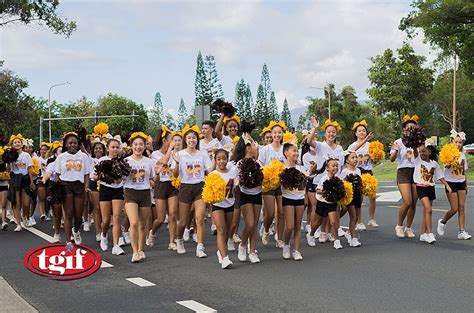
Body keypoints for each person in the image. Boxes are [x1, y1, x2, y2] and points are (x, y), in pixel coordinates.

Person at [173, 125, 212, 258]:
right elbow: (175, 175)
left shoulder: (203, 154)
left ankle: (200, 247)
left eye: (194, 138)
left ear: (197, 140)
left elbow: (209, 171)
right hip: (185, 187)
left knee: (200, 218)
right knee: (183, 221)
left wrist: (218, 158)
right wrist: (177, 163)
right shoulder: (180, 154)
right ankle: (179, 240)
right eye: (189, 138)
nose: (191, 140)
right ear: (186, 140)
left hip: (200, 187)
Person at [306, 117, 345, 243]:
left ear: (336, 133)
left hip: (335, 182)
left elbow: (341, 166)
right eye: (329, 132)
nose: (331, 134)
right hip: (321, 181)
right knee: (321, 209)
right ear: (325, 133)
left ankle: (327, 232)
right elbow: (309, 140)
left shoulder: (339, 148)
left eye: (333, 132)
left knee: (334, 208)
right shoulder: (321, 146)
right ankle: (321, 231)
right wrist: (315, 127)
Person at [54, 132, 91, 248]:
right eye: (70, 143)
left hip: (79, 186)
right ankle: (68, 241)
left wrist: (86, 187)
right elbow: (57, 174)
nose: (72, 145)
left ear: (78, 144)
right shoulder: (61, 157)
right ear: (66, 144)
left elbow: (87, 174)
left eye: (75, 143)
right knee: (68, 214)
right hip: (66, 186)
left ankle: (76, 230)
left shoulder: (83, 157)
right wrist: (56, 188)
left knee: (79, 215)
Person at [123, 132, 154, 262]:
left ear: (144, 146)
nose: (138, 147)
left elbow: (152, 179)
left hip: (145, 193)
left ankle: (141, 250)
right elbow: (121, 177)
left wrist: (154, 180)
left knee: (143, 224)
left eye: (141, 144)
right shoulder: (126, 161)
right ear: (132, 146)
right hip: (130, 192)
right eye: (135, 144)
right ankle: (134, 252)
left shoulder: (149, 162)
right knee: (134, 222)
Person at [281, 143, 314, 260]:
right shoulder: (281, 168)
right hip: (287, 198)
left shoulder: (301, 168)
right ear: (286, 153)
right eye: (293, 151)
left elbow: (304, 183)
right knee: (289, 225)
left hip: (299, 199)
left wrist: (305, 196)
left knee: (298, 225)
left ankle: (296, 250)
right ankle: (286, 244)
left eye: (297, 151)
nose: (296, 153)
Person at [413, 141, 451, 243]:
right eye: (420, 152)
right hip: (421, 188)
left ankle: (423, 234)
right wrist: (414, 140)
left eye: (424, 151)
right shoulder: (417, 161)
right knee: (428, 209)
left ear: (429, 152)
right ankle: (430, 234)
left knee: (427, 212)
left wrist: (447, 185)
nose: (422, 153)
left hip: (431, 188)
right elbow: (415, 151)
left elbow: (440, 176)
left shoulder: (434, 164)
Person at [233, 132, 262, 264]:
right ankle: (243, 245)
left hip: (257, 194)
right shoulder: (240, 163)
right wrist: (237, 182)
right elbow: (236, 178)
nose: (257, 146)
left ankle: (252, 251)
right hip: (244, 194)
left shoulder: (258, 163)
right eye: (255, 145)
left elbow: (264, 177)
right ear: (248, 148)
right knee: (249, 223)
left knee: (254, 225)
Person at [437, 130, 471, 240]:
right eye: (456, 142)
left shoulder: (463, 155)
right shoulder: (446, 152)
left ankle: (462, 231)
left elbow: (464, 172)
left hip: (460, 182)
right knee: (454, 208)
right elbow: (446, 167)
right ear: (452, 142)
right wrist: (451, 159)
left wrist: (466, 185)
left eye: (460, 142)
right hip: (450, 183)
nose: (458, 144)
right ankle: (443, 221)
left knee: (462, 207)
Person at [149, 126, 179, 251]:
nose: (174, 142)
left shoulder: (175, 154)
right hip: (160, 185)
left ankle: (172, 241)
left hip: (172, 185)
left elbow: (175, 172)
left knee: (172, 215)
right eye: (171, 140)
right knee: (160, 218)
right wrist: (170, 150)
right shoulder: (155, 154)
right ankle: (152, 232)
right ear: (164, 141)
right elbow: (161, 165)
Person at [259, 121, 287, 247]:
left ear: (282, 134)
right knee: (269, 213)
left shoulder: (285, 148)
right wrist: (267, 172)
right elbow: (259, 164)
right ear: (271, 134)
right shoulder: (265, 149)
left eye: (279, 132)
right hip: (268, 184)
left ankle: (279, 238)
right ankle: (266, 229)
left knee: (281, 213)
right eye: (275, 132)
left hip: (282, 184)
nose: (277, 135)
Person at [390, 115, 419, 239]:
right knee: (407, 201)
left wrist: (416, 147)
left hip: (416, 172)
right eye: (408, 128)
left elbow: (419, 158)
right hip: (403, 172)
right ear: (404, 130)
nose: (410, 130)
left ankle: (408, 227)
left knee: (414, 203)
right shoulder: (398, 142)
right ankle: (399, 226)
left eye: (413, 128)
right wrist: (396, 150)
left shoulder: (419, 141)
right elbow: (391, 159)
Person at [98, 138, 126, 255]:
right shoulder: (102, 160)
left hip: (118, 189)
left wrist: (119, 177)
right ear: (108, 148)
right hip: (105, 190)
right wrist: (104, 176)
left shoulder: (122, 161)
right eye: (113, 147)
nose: (115, 149)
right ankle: (104, 235)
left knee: (117, 217)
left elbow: (124, 176)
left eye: (117, 147)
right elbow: (95, 176)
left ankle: (115, 245)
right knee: (105, 220)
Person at [209, 149, 236, 269]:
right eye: (219, 159)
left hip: (230, 204)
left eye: (224, 158)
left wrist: (237, 185)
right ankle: (225, 258)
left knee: (227, 231)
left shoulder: (232, 173)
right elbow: (208, 194)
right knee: (221, 230)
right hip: (217, 205)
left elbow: (235, 190)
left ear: (227, 159)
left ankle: (221, 251)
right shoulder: (212, 175)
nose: (221, 161)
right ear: (215, 160)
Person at [348, 120, 378, 229]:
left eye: (363, 131)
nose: (361, 132)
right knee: (359, 198)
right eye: (359, 131)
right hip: (357, 172)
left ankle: (371, 219)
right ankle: (359, 222)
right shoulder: (352, 146)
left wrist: (374, 157)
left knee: (373, 196)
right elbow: (349, 159)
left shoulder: (371, 145)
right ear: (355, 133)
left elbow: (374, 161)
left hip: (368, 171)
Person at [310, 158, 344, 250]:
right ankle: (311, 235)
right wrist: (324, 192)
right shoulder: (324, 179)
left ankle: (337, 241)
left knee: (333, 221)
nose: (335, 167)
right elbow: (318, 190)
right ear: (327, 168)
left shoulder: (337, 179)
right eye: (333, 166)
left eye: (337, 166)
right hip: (322, 202)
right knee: (318, 222)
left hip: (332, 203)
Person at [7, 134, 34, 231]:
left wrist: (31, 182)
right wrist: (9, 160)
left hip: (25, 178)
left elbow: (30, 168)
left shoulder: (26, 155)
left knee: (26, 203)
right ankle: (19, 224)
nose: (17, 143)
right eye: (15, 142)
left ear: (21, 143)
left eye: (18, 142)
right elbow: (8, 170)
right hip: (15, 178)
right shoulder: (10, 155)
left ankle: (25, 217)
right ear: (12, 145)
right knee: (16, 202)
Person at [338, 151, 362, 247]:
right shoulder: (344, 172)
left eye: (356, 157)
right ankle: (353, 238)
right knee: (353, 217)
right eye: (352, 157)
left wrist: (361, 195)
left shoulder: (358, 171)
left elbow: (360, 184)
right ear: (347, 160)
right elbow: (341, 184)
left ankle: (349, 233)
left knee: (356, 218)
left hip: (357, 196)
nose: (355, 159)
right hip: (349, 197)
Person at [41, 142, 63, 242]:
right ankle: (57, 233)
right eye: (60, 152)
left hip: (68, 188)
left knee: (68, 213)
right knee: (57, 212)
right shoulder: (52, 164)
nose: (62, 154)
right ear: (55, 154)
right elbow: (48, 173)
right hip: (56, 189)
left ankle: (71, 233)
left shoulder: (69, 163)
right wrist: (44, 179)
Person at [88, 141, 105, 237]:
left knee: (104, 209)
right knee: (97, 207)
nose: (98, 150)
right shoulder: (90, 159)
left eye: (100, 148)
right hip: (93, 183)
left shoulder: (107, 159)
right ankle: (98, 232)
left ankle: (103, 229)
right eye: (96, 148)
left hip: (105, 183)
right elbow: (83, 150)